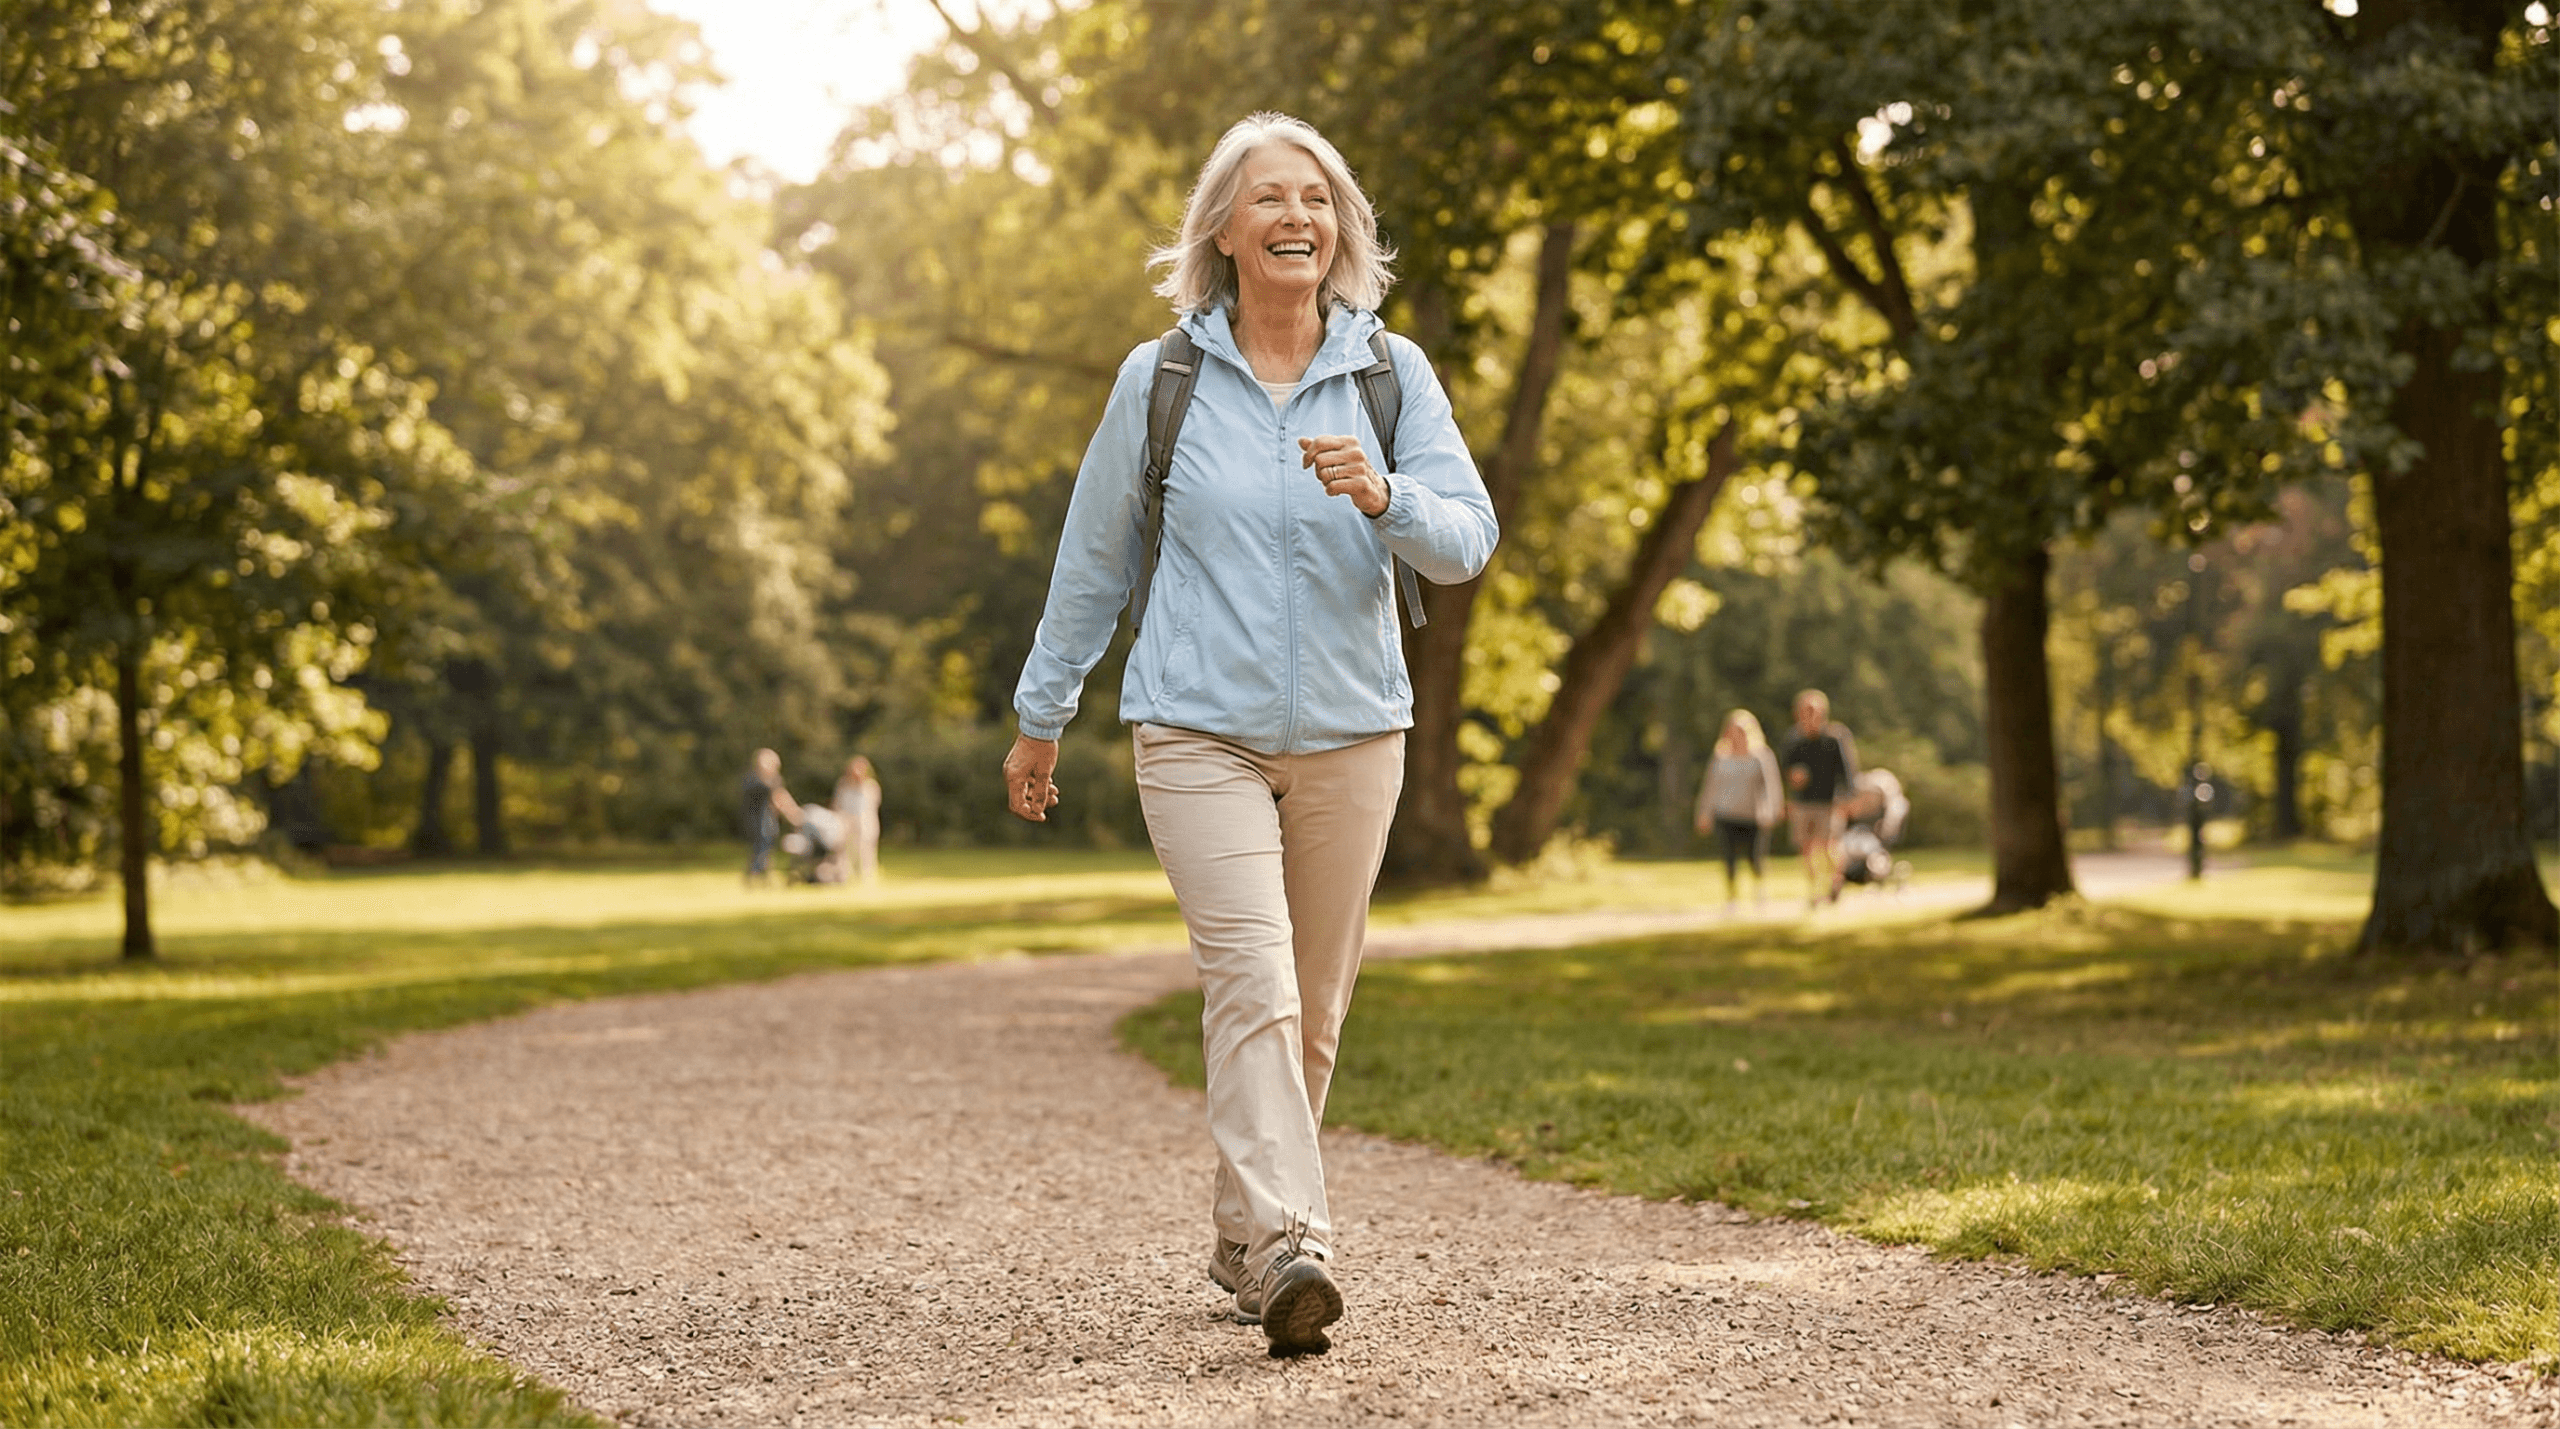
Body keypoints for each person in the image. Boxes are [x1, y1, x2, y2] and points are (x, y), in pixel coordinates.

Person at [1001, 112, 1497, 1356]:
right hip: (1195, 727)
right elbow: (1093, 563)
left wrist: (1387, 494)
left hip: (1351, 730)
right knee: (1254, 982)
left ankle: (1239, 1233)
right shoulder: (1160, 379)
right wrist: (1039, 719)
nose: (1296, 217)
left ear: (1340, 232)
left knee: (1313, 1011)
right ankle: (1290, 1244)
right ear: (1222, 230)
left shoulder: (1392, 376)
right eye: (1268, 198)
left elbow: (1468, 538)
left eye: (1317, 200)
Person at [1694, 709, 1783, 911]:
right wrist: (1704, 813)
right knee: (1729, 858)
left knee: (1755, 857)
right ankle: (1732, 897)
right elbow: (1710, 787)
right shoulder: (1721, 757)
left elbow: (1771, 786)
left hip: (1753, 816)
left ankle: (1759, 893)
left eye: (1741, 730)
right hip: (1725, 814)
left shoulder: (1761, 756)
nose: (1737, 735)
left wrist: (1772, 809)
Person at [1779, 689, 1860, 906]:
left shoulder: (1834, 738)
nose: (1809, 715)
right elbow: (1786, 769)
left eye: (1813, 710)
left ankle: (1835, 882)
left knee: (1828, 846)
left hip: (1829, 802)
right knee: (1806, 848)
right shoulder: (1793, 739)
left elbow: (1847, 771)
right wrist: (1793, 779)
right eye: (1805, 710)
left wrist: (1847, 799)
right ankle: (1814, 890)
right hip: (1802, 802)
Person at [739, 748, 802, 886]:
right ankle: (756, 876)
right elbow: (778, 796)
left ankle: (763, 878)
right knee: (760, 850)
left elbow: (779, 798)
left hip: (767, 820)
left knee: (765, 849)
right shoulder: (755, 781)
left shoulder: (772, 780)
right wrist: (792, 813)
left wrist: (793, 813)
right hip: (756, 821)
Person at [831, 755, 882, 885]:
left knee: (866, 854)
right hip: (846, 823)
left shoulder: (871, 786)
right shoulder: (843, 785)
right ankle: (843, 878)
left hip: (866, 825)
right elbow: (837, 804)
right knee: (844, 854)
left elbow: (873, 806)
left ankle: (867, 879)